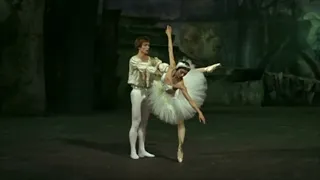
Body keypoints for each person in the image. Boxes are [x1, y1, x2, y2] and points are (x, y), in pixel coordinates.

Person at [148, 25, 221, 163]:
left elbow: (189, 99)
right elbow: (170, 50)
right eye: (182, 72)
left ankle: (180, 148)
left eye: (185, 74)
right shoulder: (171, 67)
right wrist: (169, 35)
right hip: (161, 91)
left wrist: (199, 112)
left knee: (180, 123)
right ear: (177, 69)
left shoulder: (181, 83)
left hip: (173, 97)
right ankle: (206, 69)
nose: (183, 75)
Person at [127, 36, 169, 160]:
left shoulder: (152, 60)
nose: (147, 48)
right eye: (145, 45)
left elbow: (161, 65)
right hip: (137, 91)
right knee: (136, 121)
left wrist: (166, 68)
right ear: (139, 47)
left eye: (148, 45)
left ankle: (142, 149)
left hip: (147, 91)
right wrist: (157, 70)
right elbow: (144, 68)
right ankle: (133, 151)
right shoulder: (134, 60)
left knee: (144, 123)